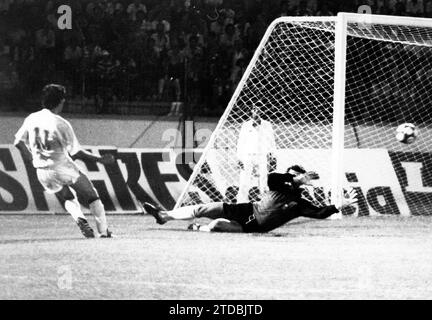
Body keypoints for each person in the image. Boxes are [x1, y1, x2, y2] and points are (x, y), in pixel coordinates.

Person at [14, 84, 114, 238]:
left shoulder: (31, 118)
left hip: (42, 171)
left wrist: (31, 158)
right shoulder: (61, 123)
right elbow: (77, 152)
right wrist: (100, 159)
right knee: (92, 195)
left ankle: (80, 220)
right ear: (60, 102)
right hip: (62, 166)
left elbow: (18, 142)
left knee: (68, 197)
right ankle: (103, 232)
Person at [142, 165, 358, 233]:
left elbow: (319, 213)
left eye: (295, 174)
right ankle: (164, 215)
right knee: (205, 208)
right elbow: (272, 177)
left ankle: (199, 229)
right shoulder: (280, 183)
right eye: (291, 174)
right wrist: (294, 177)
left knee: (216, 225)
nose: (291, 176)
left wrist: (340, 205)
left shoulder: (299, 203)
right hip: (247, 209)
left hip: (254, 225)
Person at [236, 101, 277, 202]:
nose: (257, 112)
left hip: (262, 155)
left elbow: (272, 142)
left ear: (262, 111)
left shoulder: (267, 125)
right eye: (255, 109)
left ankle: (264, 202)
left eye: (259, 110)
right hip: (247, 155)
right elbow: (240, 143)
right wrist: (239, 158)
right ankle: (241, 202)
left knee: (263, 181)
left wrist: (273, 157)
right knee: (244, 180)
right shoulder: (246, 125)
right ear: (252, 111)